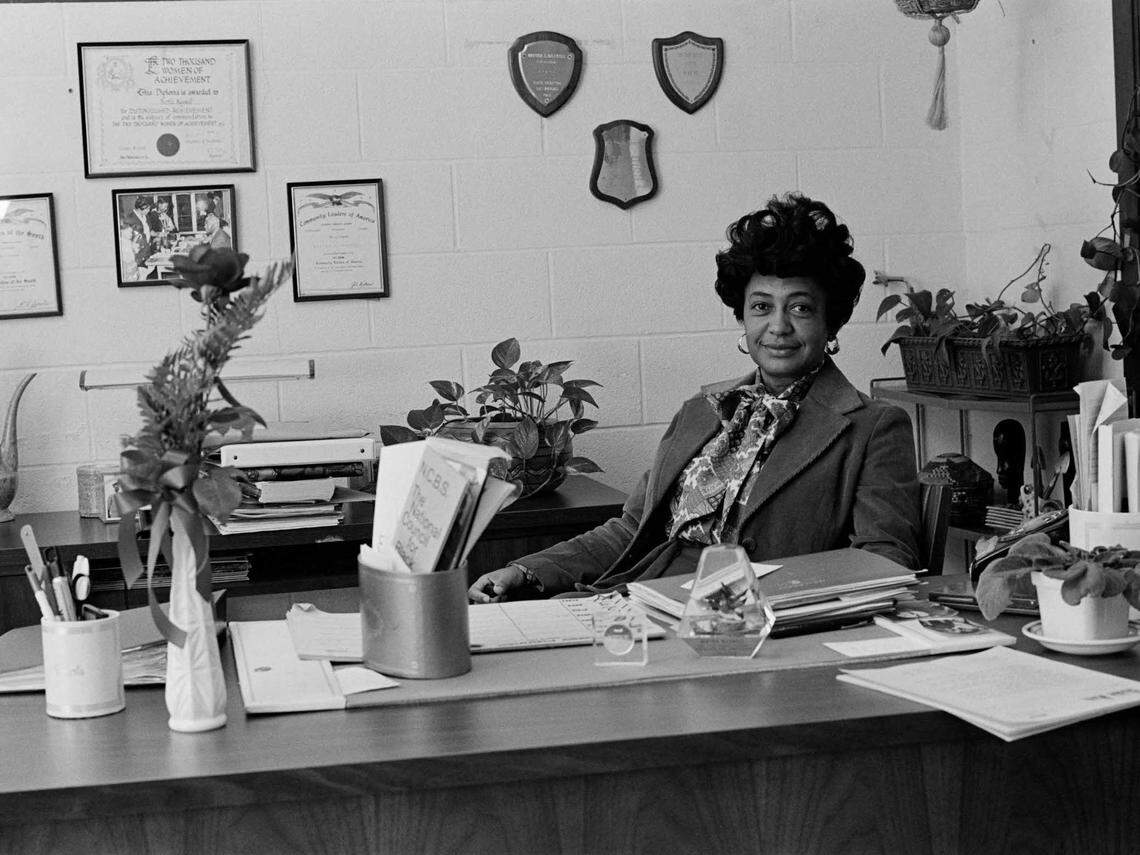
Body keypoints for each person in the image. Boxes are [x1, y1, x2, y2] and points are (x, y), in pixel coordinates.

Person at [469, 192, 922, 603]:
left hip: (755, 629)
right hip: (633, 601)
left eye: (800, 307)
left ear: (832, 322)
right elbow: (630, 529)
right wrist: (526, 571)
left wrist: (740, 600)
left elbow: (886, 561)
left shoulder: (873, 427)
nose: (779, 326)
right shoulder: (700, 413)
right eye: (761, 307)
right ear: (743, 318)